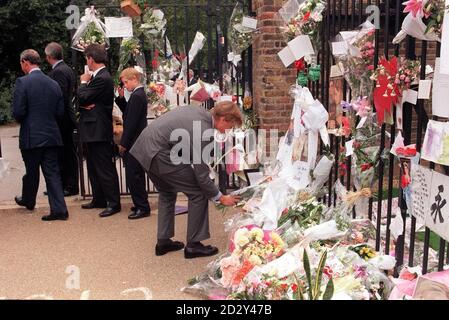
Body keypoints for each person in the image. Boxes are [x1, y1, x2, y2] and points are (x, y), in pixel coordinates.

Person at [130, 101, 242, 259]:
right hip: (160, 152)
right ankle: (194, 245)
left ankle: (163, 241)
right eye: (231, 126)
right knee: (198, 192)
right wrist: (220, 197)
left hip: (146, 148)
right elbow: (201, 176)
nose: (229, 131)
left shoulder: (199, 113)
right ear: (223, 119)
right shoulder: (205, 131)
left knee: (167, 192)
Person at [12, 49, 69, 221]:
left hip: (31, 136)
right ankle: (59, 209)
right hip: (51, 135)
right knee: (52, 173)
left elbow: (19, 112)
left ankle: (29, 200)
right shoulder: (53, 84)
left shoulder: (22, 82)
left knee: (31, 171)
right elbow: (60, 112)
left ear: (25, 62)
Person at [78, 44, 121, 218]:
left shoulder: (102, 78)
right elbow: (81, 102)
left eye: (86, 58)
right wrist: (85, 100)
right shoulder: (96, 78)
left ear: (91, 59)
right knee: (94, 167)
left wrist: (82, 83)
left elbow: (82, 97)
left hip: (98, 129)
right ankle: (99, 198)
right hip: (92, 127)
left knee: (104, 167)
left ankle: (113, 202)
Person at [115, 68, 151, 220]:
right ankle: (140, 203)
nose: (125, 86)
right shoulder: (137, 95)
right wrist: (122, 99)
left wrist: (123, 143)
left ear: (134, 79)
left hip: (134, 141)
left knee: (133, 175)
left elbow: (130, 123)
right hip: (136, 139)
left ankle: (142, 206)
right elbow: (129, 114)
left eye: (126, 82)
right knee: (135, 174)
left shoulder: (137, 95)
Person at [45, 42, 79, 197]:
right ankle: (65, 184)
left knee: (65, 152)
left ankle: (69, 185)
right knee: (65, 152)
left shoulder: (59, 72)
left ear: (49, 56)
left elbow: (60, 96)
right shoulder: (67, 69)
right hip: (66, 116)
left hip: (62, 118)